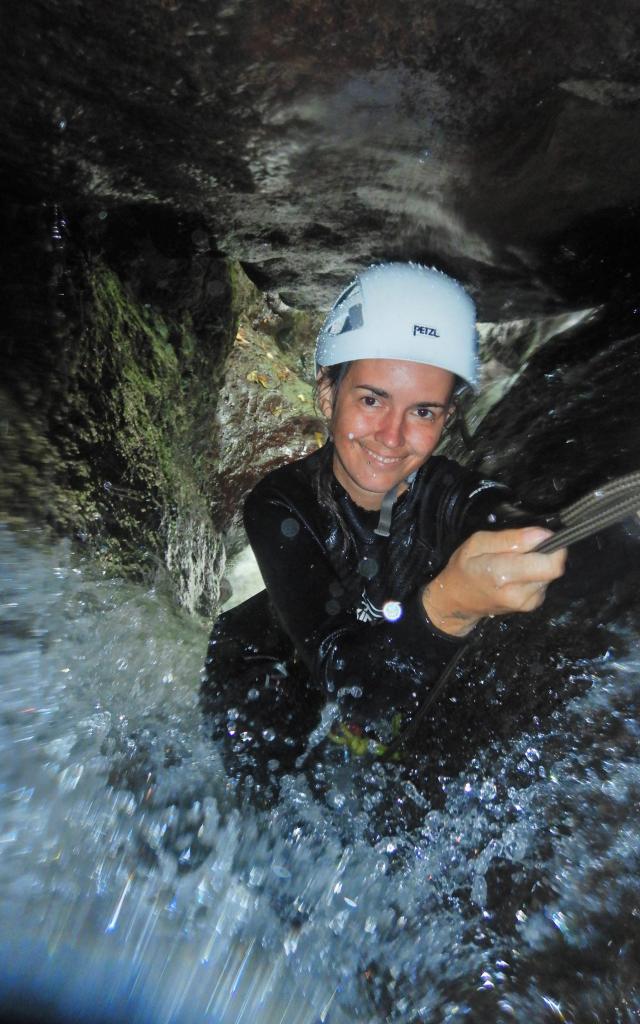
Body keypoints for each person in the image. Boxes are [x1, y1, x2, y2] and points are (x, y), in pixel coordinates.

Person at [201, 263, 566, 777]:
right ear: (328, 394)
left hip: (372, 676)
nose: (391, 437)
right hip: (264, 671)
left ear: (445, 420)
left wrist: (533, 532)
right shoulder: (281, 504)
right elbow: (343, 676)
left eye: (423, 412)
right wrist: (450, 607)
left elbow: (492, 509)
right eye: (372, 400)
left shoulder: (445, 492)